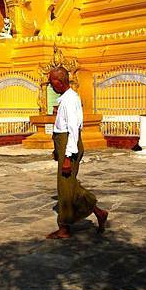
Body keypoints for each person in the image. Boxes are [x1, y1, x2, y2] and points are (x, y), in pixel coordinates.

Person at [47, 66, 108, 239]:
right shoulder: (65, 99)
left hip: (69, 145)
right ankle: (99, 212)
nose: (50, 86)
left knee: (65, 189)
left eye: (52, 82)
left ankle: (64, 228)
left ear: (60, 81)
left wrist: (67, 157)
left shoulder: (70, 99)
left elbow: (73, 129)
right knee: (70, 185)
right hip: (64, 143)